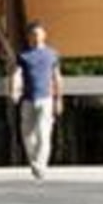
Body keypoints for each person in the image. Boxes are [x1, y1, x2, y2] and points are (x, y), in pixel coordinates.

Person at [10, 21, 63, 178]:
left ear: (44, 35)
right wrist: (14, 90)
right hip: (27, 99)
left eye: (38, 33)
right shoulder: (23, 56)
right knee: (27, 135)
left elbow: (57, 77)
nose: (36, 37)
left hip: (46, 99)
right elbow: (16, 74)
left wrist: (58, 99)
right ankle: (34, 161)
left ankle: (40, 165)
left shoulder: (52, 54)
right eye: (33, 34)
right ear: (29, 37)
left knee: (43, 132)